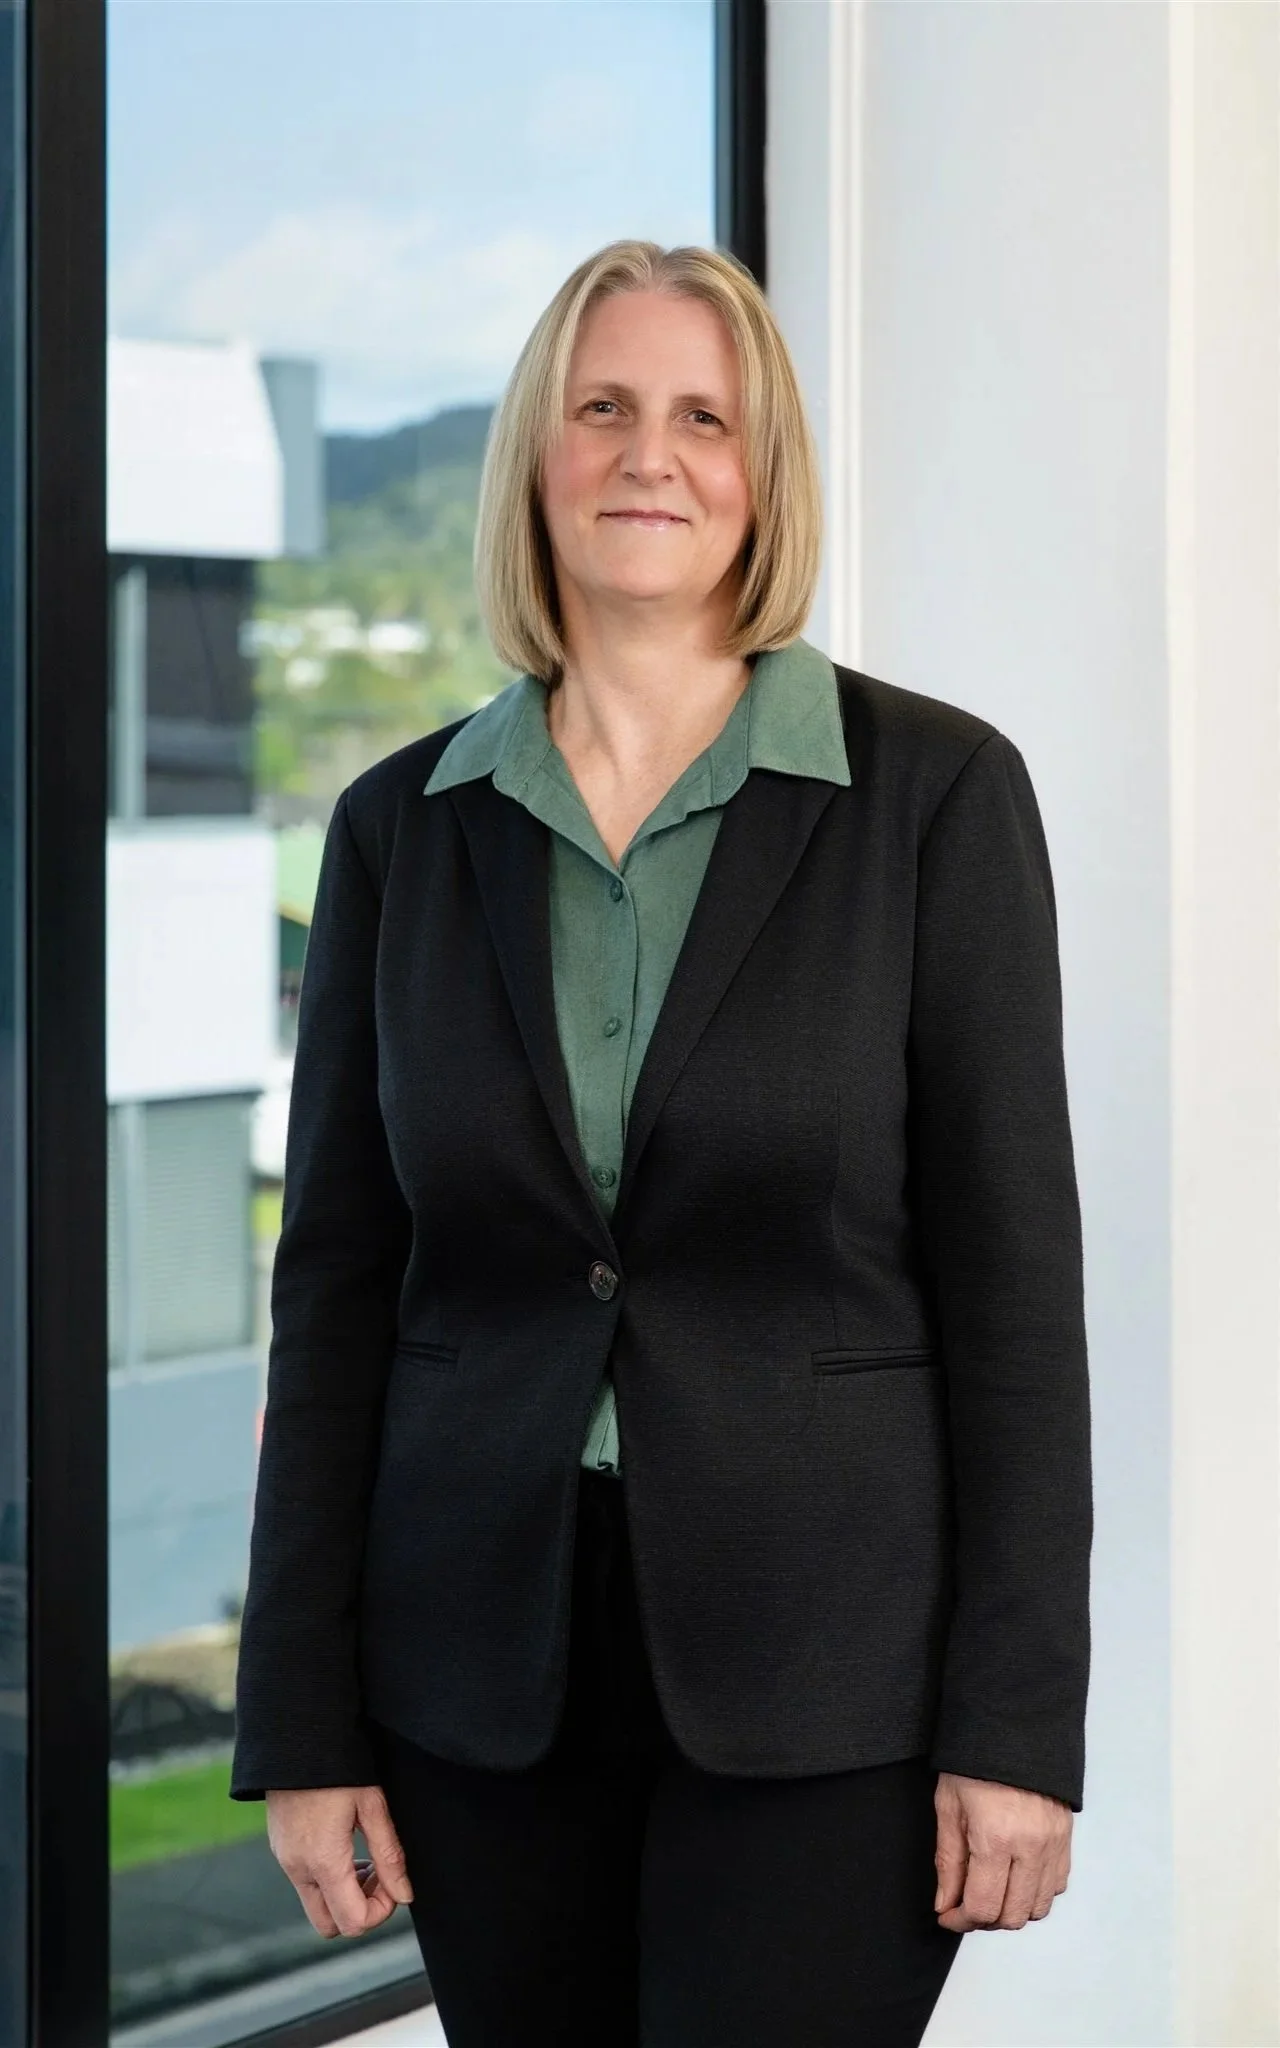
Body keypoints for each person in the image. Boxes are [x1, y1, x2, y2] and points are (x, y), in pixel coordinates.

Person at [229, 239, 1092, 2048]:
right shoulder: (401, 828)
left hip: (830, 1682)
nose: (651, 455)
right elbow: (338, 1298)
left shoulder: (933, 795)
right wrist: (303, 1726)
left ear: (763, 470)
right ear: (536, 458)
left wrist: (1017, 1730)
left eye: (705, 417)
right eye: (603, 408)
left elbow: (1018, 1297)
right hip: (474, 1683)